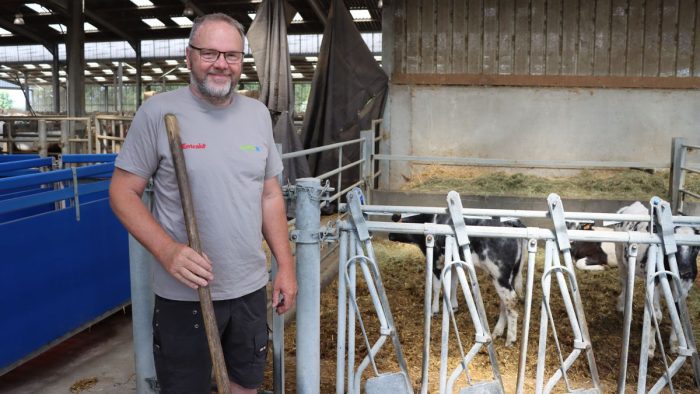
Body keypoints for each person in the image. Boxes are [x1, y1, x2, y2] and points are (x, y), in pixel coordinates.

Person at [109, 13, 297, 394]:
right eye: (210, 53)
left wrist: (286, 266)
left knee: (244, 386)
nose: (221, 64)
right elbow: (121, 192)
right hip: (184, 294)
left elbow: (269, 194)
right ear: (188, 56)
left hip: (247, 287)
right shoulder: (159, 113)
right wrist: (168, 251)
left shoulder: (257, 114)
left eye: (231, 55)